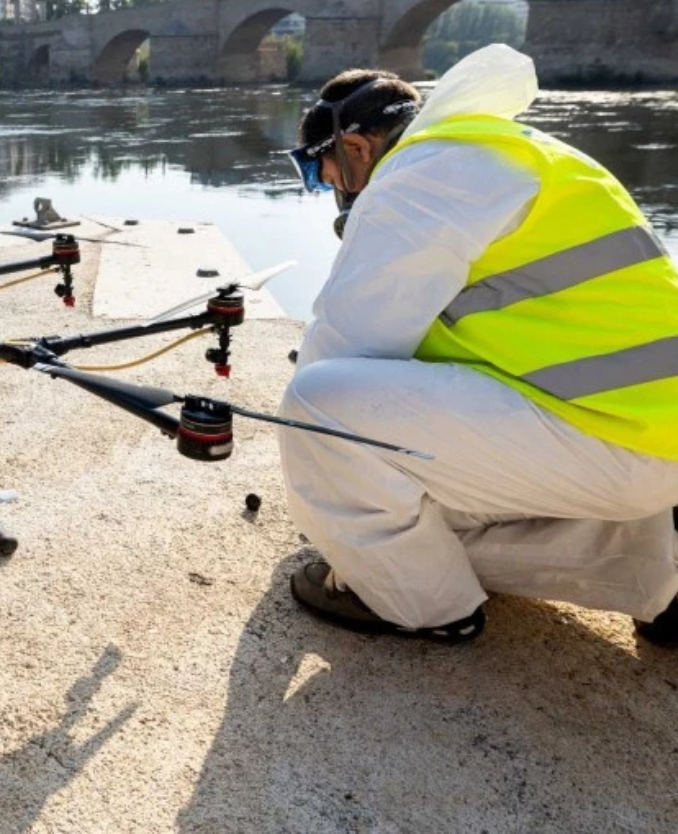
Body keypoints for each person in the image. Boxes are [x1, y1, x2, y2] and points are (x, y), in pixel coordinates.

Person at [278, 43, 678, 645]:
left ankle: (420, 603)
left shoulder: (420, 177)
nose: (329, 189)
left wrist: (324, 499)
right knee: (421, 511)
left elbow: (343, 348)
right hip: (645, 432)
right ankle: (663, 573)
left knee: (317, 413)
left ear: (356, 148)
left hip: (618, 439)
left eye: (323, 172)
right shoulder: (514, 151)